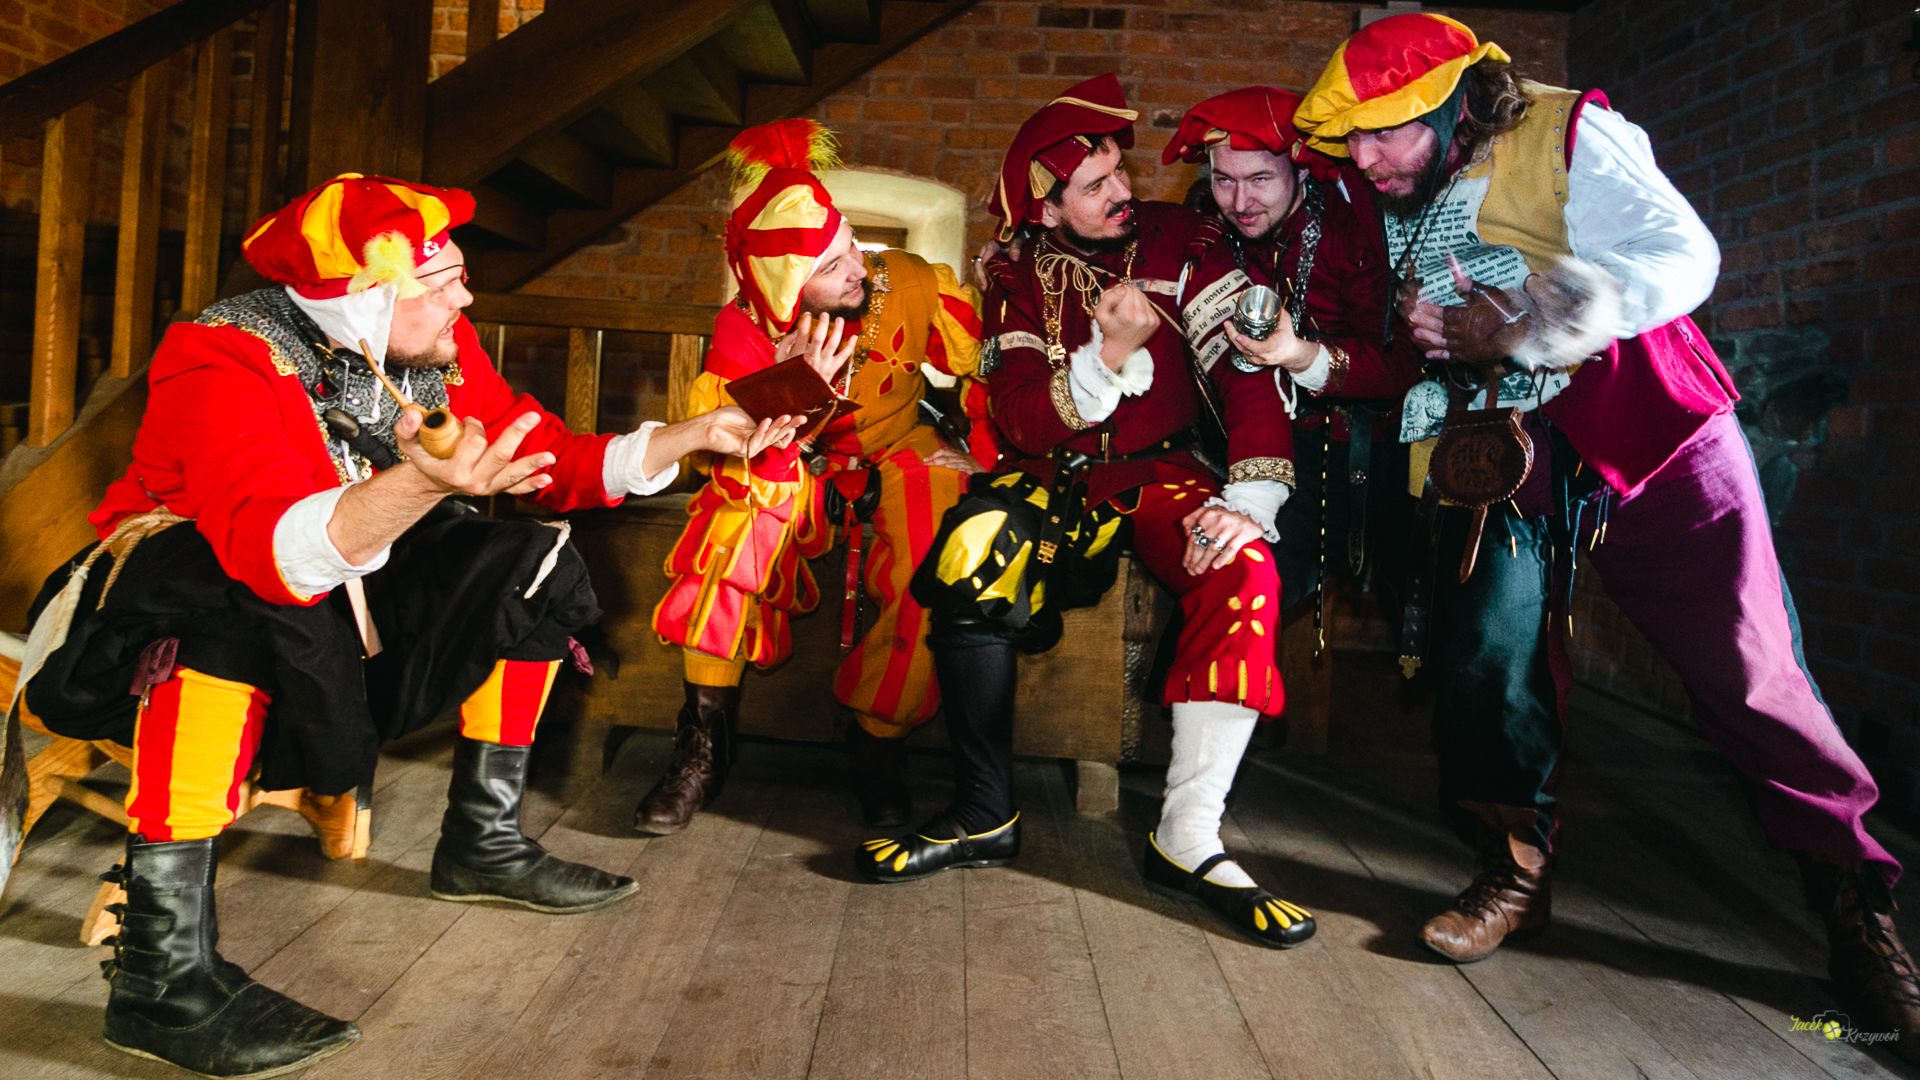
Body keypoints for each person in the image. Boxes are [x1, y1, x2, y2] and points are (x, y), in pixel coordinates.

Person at [15, 174, 798, 1078]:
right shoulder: (222, 354)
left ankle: (484, 843)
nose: (466, 299)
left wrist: (692, 435)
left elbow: (545, 455)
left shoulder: (435, 349)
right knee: (218, 608)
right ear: (367, 293)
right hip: (166, 613)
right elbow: (270, 549)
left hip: (340, 598)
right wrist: (425, 480)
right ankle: (159, 977)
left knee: (528, 562)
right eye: (443, 281)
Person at [1297, 13, 1920, 1056]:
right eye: (1350, 136)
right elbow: (1406, 302)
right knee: (1488, 656)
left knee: (1748, 667)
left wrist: (1541, 318)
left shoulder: (1571, 131)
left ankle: (1858, 906)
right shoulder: (1392, 186)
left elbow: (1684, 253)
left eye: (1384, 132)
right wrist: (1427, 328)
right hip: (1498, 444)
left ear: (1452, 107)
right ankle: (1514, 869)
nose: (1362, 157)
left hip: (1648, 417)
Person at [858, 74, 1316, 950]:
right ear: (1046, 206)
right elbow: (1024, 420)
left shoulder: (1185, 241)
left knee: (1245, 568)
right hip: (1051, 475)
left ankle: (1189, 839)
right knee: (968, 554)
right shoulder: (1014, 275)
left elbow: (1248, 372)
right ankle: (984, 814)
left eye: (1120, 172)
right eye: (1095, 185)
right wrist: (1108, 355)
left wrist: (1252, 497)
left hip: (1165, 472)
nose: (1121, 193)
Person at [642, 120, 992, 834]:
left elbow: (985, 363)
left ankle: (878, 742)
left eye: (852, 245)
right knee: (728, 527)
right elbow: (732, 458)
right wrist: (790, 389)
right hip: (797, 462)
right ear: (787, 289)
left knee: (938, 539)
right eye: (833, 267)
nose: (859, 268)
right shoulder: (745, 334)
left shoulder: (909, 281)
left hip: (900, 447)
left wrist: (987, 453)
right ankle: (703, 744)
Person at [1164, 86, 1422, 634]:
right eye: (1224, 180)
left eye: (1260, 179)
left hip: (1353, 453)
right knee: (1217, 594)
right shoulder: (1206, 222)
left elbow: (1400, 365)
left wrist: (1301, 355)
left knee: (1431, 626)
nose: (1240, 202)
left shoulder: (1355, 231)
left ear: (1301, 171)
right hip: (1244, 444)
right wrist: (1024, 241)